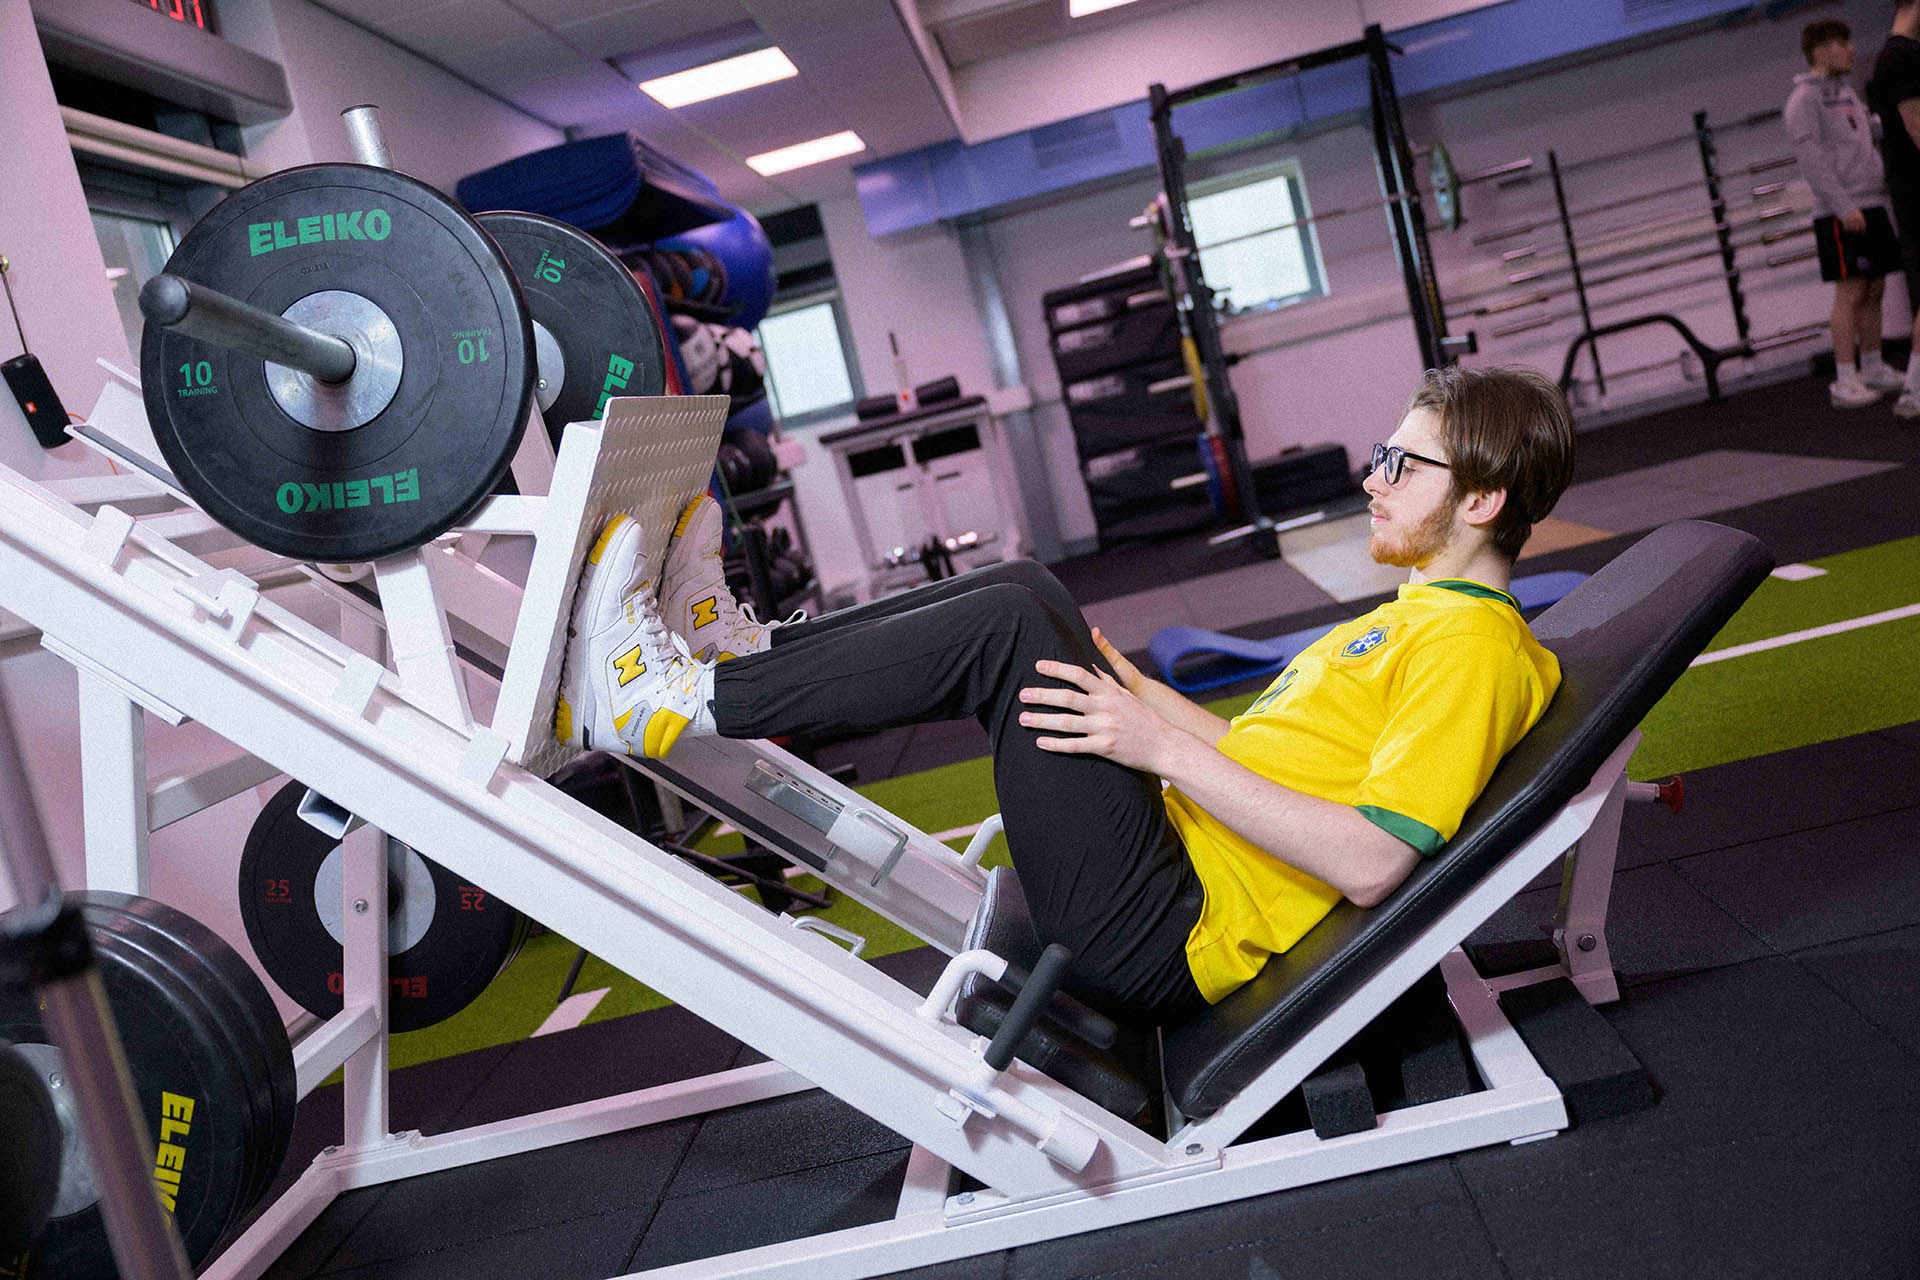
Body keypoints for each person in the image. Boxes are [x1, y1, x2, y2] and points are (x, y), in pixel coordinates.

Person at [555, 365, 1576, 1025]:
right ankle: (743, 653)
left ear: (1481, 498)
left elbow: (1370, 860)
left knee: (1001, 629)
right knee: (1028, 591)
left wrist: (1157, 748)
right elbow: (1259, 746)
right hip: (1169, 863)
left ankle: (680, 700)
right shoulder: (1411, 616)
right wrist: (1135, 697)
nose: (1375, 478)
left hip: (1168, 929)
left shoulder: (1472, 647)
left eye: (1403, 463)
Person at [1786, 18, 1906, 408]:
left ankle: (1872, 366)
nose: (1852, 49)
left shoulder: (1846, 92)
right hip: (1842, 210)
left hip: (1871, 201)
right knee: (1850, 292)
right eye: (1844, 43)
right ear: (1821, 51)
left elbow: (1866, 132)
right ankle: (1844, 379)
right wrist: (1844, 206)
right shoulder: (1804, 101)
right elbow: (1813, 162)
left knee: (1875, 288)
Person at [1869, 0, 1920, 419]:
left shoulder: (1894, 56)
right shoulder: (1903, 57)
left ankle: (1916, 391)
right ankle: (1916, 391)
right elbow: (1917, 126)